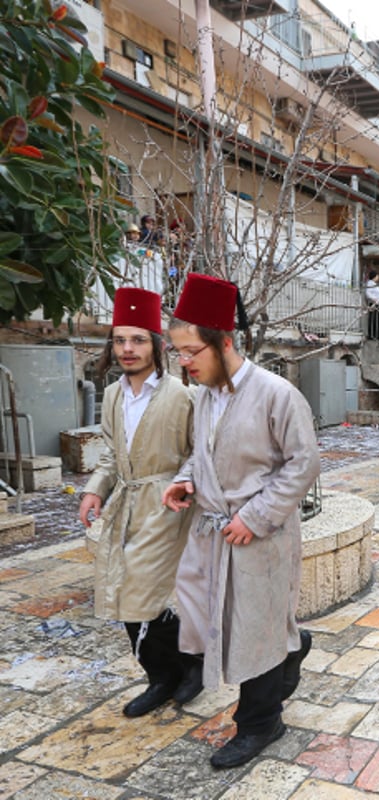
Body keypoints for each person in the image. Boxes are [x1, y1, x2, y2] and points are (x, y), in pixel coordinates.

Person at [161, 273, 321, 769]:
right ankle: (294, 645)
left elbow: (304, 463)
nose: (183, 364)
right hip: (213, 535)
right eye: (179, 353)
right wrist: (188, 479)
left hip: (259, 537)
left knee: (255, 631)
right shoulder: (207, 396)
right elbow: (202, 453)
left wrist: (255, 516)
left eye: (191, 352)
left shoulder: (276, 393)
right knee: (216, 621)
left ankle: (260, 723)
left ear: (223, 342)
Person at [79, 288, 202, 719]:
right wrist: (96, 488)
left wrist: (184, 483)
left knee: (142, 591)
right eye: (119, 340)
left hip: (168, 506)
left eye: (138, 340)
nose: (128, 349)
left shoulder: (180, 396)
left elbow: (196, 451)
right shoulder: (113, 395)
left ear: (157, 344)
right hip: (127, 504)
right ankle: (169, 672)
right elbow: (112, 453)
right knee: (125, 590)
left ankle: (181, 669)